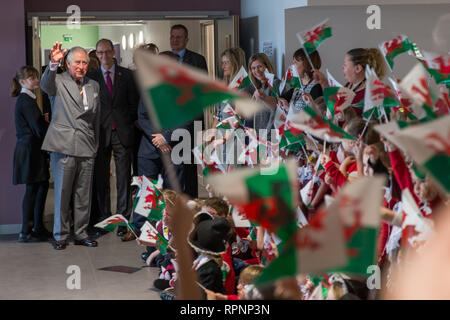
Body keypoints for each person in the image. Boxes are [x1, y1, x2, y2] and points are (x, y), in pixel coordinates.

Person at [41, 43, 101, 250]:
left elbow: (96, 117)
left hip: (86, 144)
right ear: (67, 64)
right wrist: (52, 63)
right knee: (62, 193)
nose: (81, 66)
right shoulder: (57, 81)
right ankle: (61, 235)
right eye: (77, 62)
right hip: (63, 145)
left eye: (84, 62)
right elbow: (45, 85)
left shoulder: (93, 85)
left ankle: (82, 233)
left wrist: (95, 144)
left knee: (83, 195)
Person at [126, 49, 186, 241]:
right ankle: (139, 227)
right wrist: (158, 138)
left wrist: (166, 137)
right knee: (147, 190)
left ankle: (173, 228)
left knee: (173, 191)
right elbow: (142, 116)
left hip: (176, 146)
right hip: (149, 147)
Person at [87, 39, 140, 238]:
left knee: (123, 179)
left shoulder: (127, 75)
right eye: (100, 53)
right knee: (101, 179)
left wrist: (130, 124)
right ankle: (105, 219)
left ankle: (123, 221)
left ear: (113, 53)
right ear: (96, 54)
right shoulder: (91, 78)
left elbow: (133, 104)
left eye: (107, 52)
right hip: (100, 133)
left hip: (122, 132)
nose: (104, 56)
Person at [11, 66, 51, 242]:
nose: (36, 80)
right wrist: (47, 124)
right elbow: (38, 128)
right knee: (34, 189)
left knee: (38, 188)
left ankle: (34, 227)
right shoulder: (26, 101)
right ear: (22, 82)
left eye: (36, 77)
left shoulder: (26, 99)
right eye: (32, 78)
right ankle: (28, 230)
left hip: (30, 150)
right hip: (30, 151)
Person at [170, 24, 208, 198]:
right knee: (174, 165)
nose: (174, 40)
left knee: (190, 164)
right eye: (172, 36)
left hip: (193, 121)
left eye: (178, 37)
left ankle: (192, 202)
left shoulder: (197, 60)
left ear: (186, 40)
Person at [314, 48, 386, 117]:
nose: (342, 67)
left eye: (345, 64)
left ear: (357, 68)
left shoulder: (372, 94)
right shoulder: (350, 84)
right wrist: (324, 83)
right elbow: (334, 104)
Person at [278, 48, 323, 119]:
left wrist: (289, 109)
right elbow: (278, 100)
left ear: (306, 64)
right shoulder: (298, 86)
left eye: (295, 62)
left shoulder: (317, 88)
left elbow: (314, 118)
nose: (292, 66)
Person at [247, 53, 280, 138]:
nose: (257, 71)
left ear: (267, 67)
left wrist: (266, 136)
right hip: (259, 137)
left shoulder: (275, 83)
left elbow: (277, 111)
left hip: (271, 137)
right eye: (253, 68)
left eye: (260, 66)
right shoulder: (258, 88)